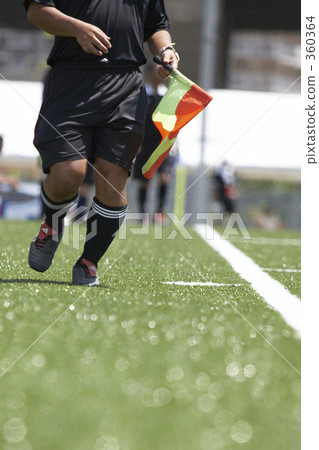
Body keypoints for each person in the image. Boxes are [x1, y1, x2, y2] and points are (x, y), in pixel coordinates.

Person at [24, 0, 179, 286]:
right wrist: (77, 29)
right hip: (70, 81)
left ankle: (88, 262)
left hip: (126, 86)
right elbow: (37, 10)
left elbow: (156, 24)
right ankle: (53, 225)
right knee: (68, 172)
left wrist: (165, 50)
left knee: (113, 180)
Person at [133, 64, 177, 223]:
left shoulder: (169, 95)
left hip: (164, 143)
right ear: (150, 74)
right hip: (145, 143)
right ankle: (143, 214)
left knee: (164, 176)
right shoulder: (143, 95)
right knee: (144, 179)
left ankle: (159, 212)